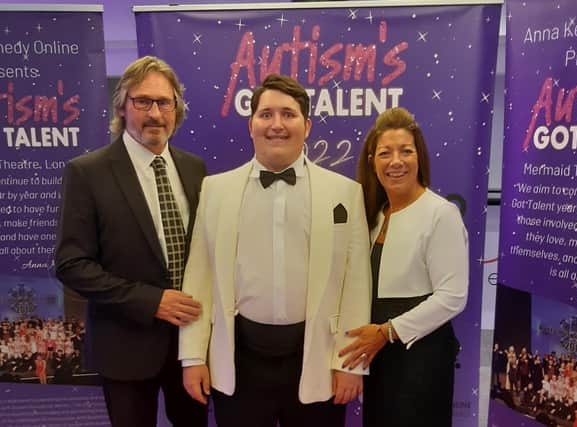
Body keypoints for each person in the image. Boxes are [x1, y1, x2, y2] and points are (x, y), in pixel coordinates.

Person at [179, 74, 371, 427]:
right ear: (251, 124)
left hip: (317, 360)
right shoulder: (215, 190)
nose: (277, 124)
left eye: (288, 114)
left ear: (307, 125)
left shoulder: (345, 193)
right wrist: (192, 357)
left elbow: (356, 286)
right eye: (266, 114)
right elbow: (198, 279)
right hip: (239, 361)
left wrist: (350, 363)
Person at [55, 56, 208, 427]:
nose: (155, 113)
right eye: (143, 102)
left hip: (191, 348)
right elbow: (71, 264)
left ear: (176, 109)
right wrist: (151, 301)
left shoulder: (195, 169)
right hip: (124, 350)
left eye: (164, 102)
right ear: (122, 107)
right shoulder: (87, 172)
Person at [338, 107, 468, 427]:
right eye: (385, 153)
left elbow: (453, 296)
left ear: (419, 157)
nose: (396, 161)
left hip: (421, 357)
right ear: (372, 161)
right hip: (379, 356)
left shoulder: (441, 213)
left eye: (406, 151)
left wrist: (386, 332)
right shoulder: (374, 214)